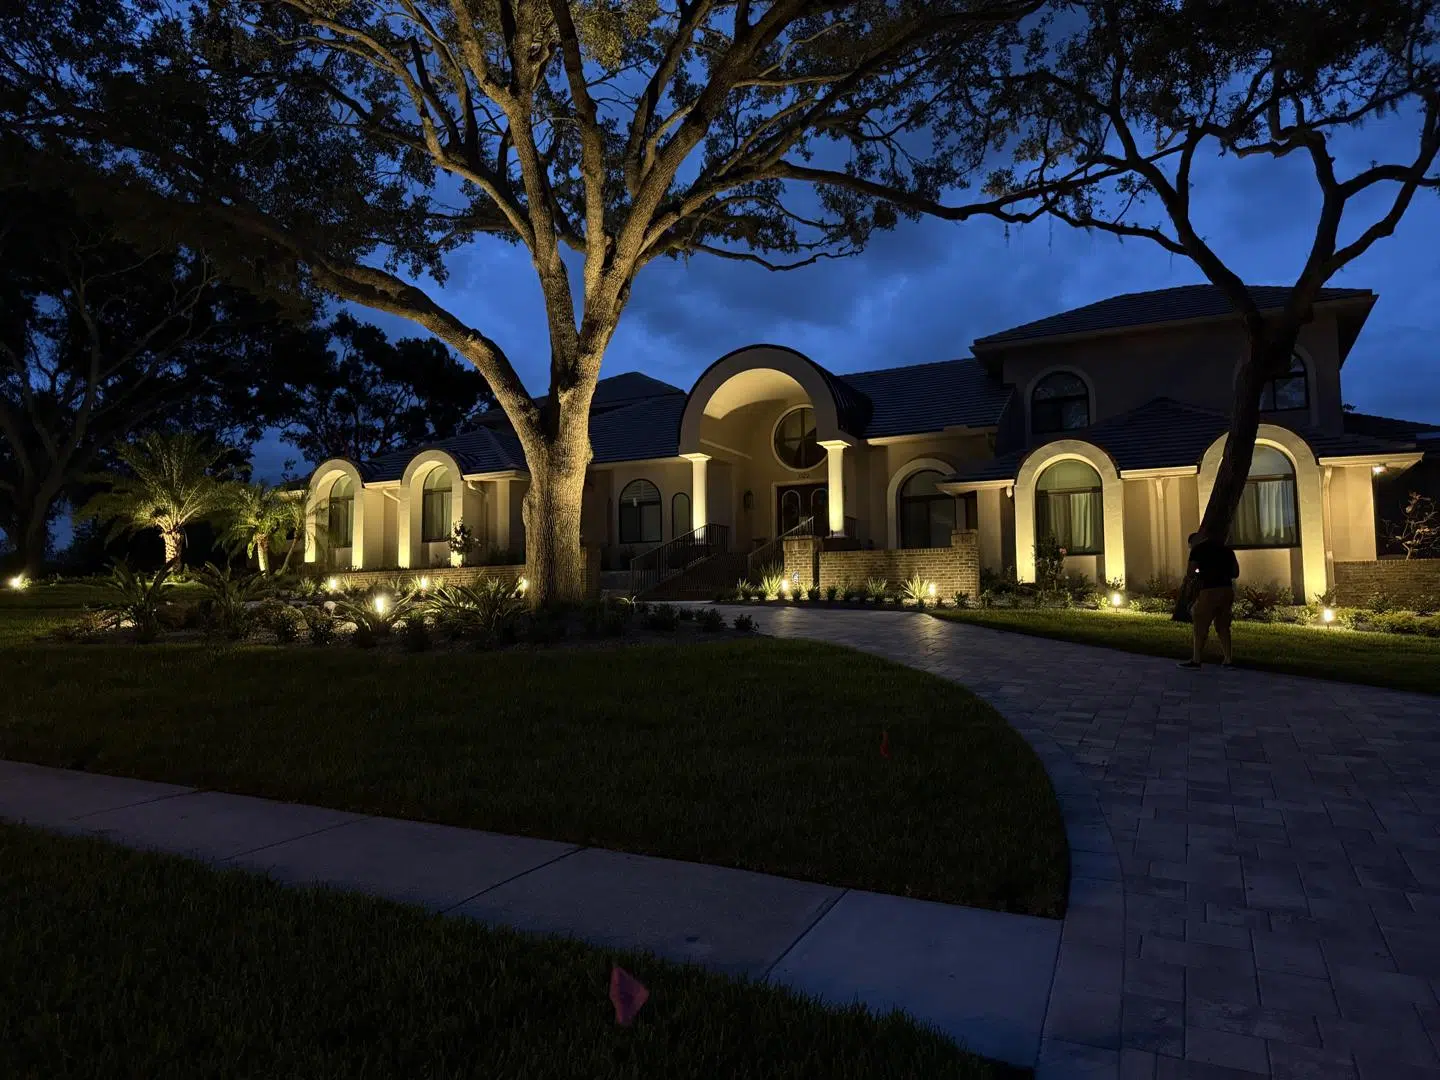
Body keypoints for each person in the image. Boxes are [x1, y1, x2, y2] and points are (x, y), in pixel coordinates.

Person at [1179, 530, 1239, 669]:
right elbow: (1235, 572)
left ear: (1194, 541)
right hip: (1226, 590)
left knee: (1200, 625)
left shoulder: (1198, 550)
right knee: (1223, 626)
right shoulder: (1227, 550)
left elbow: (1191, 572)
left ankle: (1196, 659)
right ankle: (1228, 659)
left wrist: (1199, 573)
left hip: (1208, 590)